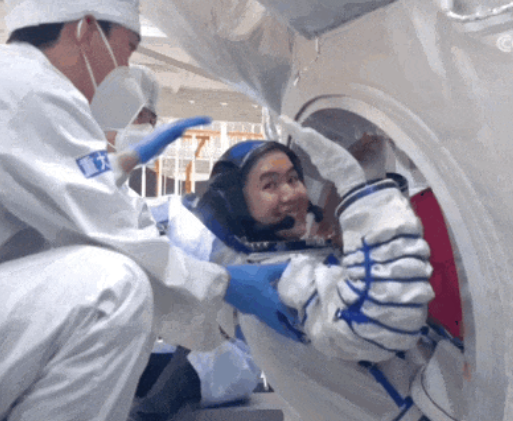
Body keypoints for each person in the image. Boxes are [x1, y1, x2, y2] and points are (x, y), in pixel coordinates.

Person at [0, 1, 299, 419]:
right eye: (127, 51)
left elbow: (82, 204)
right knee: (111, 289)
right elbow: (116, 233)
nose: (125, 71)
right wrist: (229, 284)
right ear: (86, 30)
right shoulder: (31, 89)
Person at [160, 138, 465, 421]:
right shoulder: (278, 282)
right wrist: (364, 194)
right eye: (270, 185)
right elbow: (383, 325)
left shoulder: (284, 267)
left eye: (294, 179)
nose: (290, 194)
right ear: (237, 205)